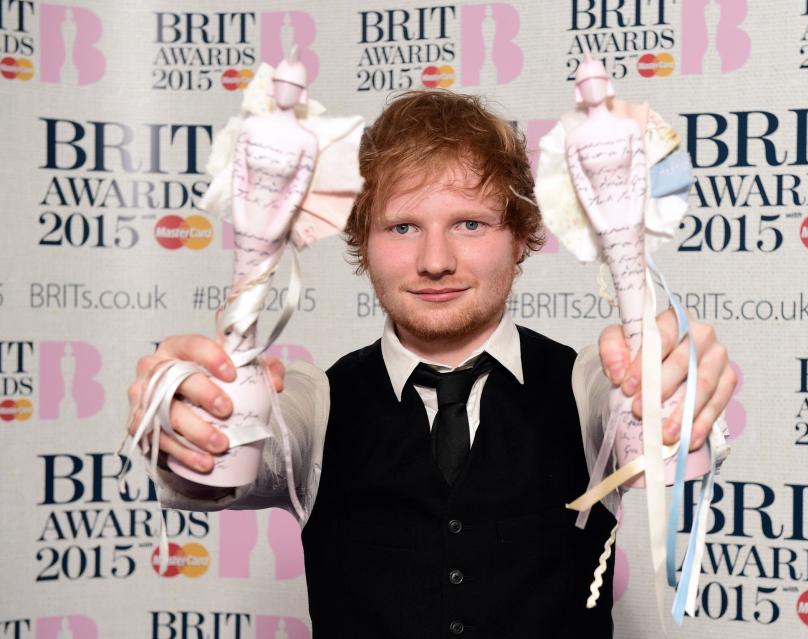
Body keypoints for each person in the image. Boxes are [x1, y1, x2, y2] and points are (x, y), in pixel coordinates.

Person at [128, 90, 735, 639]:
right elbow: (218, 471)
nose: (436, 260)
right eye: (403, 227)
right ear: (363, 244)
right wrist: (186, 423)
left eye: (470, 224)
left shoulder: (585, 387)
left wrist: (676, 388)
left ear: (522, 236)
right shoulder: (318, 401)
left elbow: (649, 426)